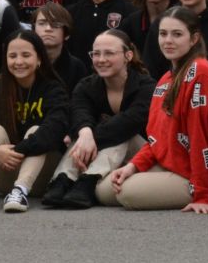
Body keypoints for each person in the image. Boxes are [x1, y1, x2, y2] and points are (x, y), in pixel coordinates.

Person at [99, 7, 208, 212]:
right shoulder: (166, 79)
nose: (168, 41)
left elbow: (201, 138)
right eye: (163, 34)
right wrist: (132, 166)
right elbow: (157, 138)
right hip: (176, 164)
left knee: (127, 193)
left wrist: (203, 196)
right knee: (104, 191)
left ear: (194, 39)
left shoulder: (201, 73)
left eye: (177, 34)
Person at [42, 29, 154, 209]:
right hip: (102, 154)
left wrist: (89, 137)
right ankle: (63, 179)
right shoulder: (86, 86)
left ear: (128, 56)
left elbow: (129, 123)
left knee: (121, 134)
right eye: (96, 54)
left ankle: (88, 181)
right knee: (83, 132)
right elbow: (78, 112)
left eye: (109, 53)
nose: (101, 59)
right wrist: (84, 133)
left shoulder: (146, 86)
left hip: (142, 154)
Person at [0, 31, 71, 213]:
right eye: (12, 56)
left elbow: (53, 131)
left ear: (39, 59)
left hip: (41, 174)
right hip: (6, 170)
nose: (19, 61)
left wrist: (17, 151)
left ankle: (21, 191)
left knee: (37, 130)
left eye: (26, 55)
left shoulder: (54, 89)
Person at [32, 2, 89, 93]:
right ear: (33, 29)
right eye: (42, 23)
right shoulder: (25, 62)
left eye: (55, 24)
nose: (48, 28)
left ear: (66, 33)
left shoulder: (77, 67)